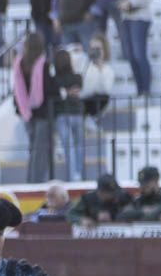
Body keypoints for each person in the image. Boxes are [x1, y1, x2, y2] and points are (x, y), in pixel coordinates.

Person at [13, 32, 52, 182]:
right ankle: (36, 181)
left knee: (33, 150)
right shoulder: (44, 64)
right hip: (42, 113)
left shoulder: (20, 64)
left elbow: (17, 90)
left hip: (26, 112)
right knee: (40, 151)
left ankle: (32, 179)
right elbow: (49, 88)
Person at [51, 49, 83, 181]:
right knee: (78, 146)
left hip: (63, 115)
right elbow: (77, 88)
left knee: (68, 147)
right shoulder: (77, 78)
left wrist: (65, 91)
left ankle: (72, 177)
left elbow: (57, 93)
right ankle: (78, 174)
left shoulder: (55, 80)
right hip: (77, 114)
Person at [67, 172, 131, 226]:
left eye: (115, 192)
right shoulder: (88, 199)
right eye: (110, 193)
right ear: (101, 192)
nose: (114, 195)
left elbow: (134, 211)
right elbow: (70, 214)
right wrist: (82, 220)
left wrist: (115, 216)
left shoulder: (123, 197)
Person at [78, 33, 114, 117]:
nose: (95, 51)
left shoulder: (108, 69)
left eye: (98, 49)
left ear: (104, 50)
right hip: (83, 101)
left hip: (98, 103)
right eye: (92, 48)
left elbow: (106, 90)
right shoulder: (84, 65)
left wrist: (100, 67)